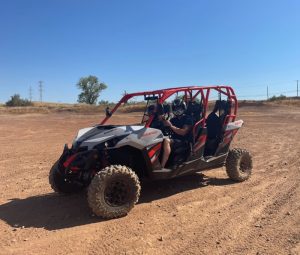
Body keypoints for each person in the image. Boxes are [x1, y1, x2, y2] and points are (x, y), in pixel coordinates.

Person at [160, 99, 193, 168]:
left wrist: (171, 126)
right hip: (175, 139)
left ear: (183, 108)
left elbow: (183, 132)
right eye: (176, 108)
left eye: (180, 108)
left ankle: (162, 166)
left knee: (166, 141)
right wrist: (163, 121)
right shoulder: (173, 119)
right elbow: (166, 127)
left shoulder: (187, 118)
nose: (178, 110)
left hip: (184, 141)